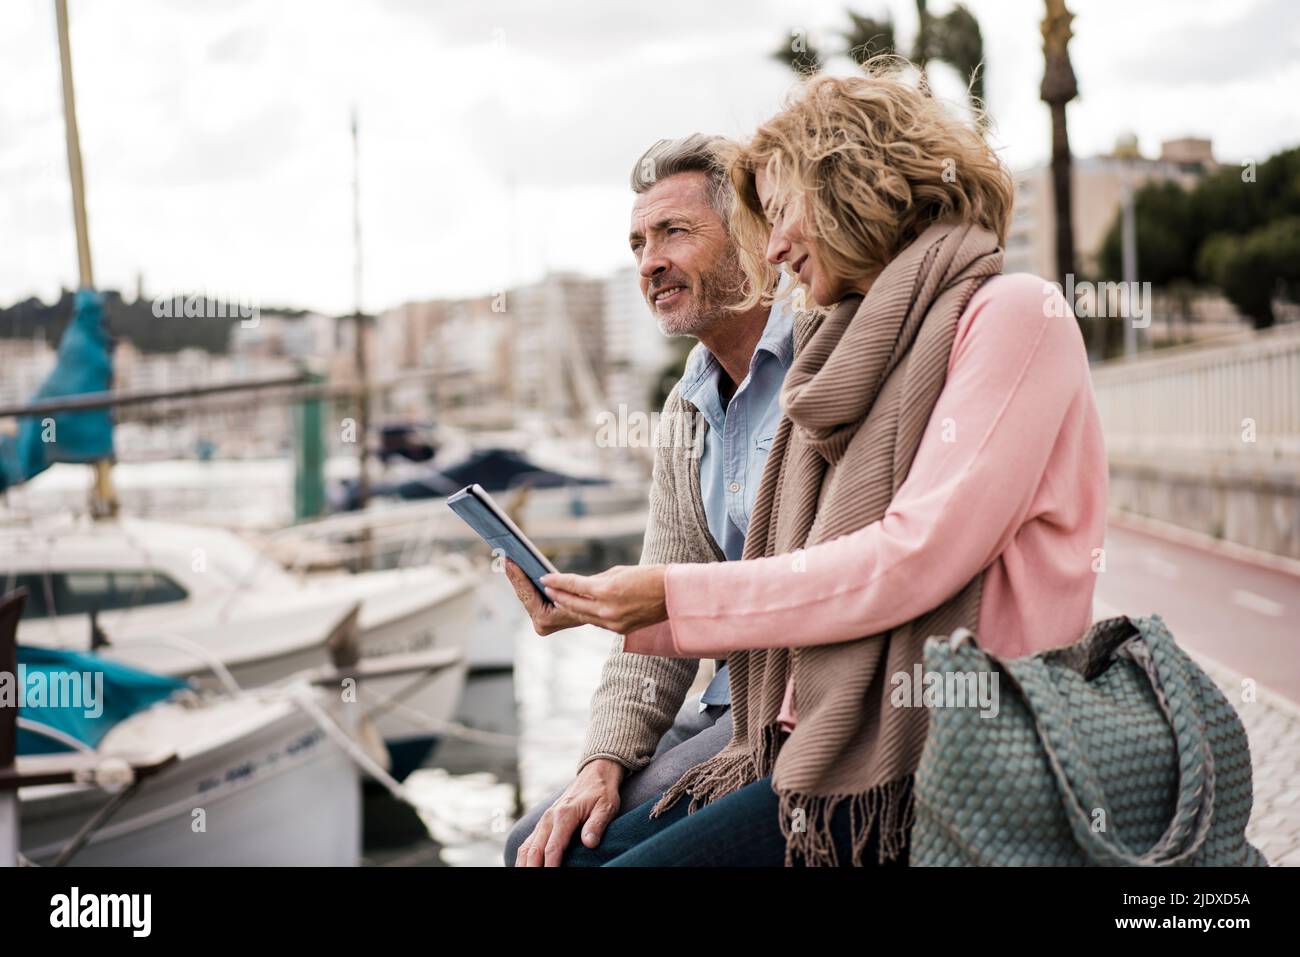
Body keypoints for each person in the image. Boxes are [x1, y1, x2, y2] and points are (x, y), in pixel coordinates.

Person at [541, 57, 1109, 866]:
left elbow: (906, 561)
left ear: (856, 185)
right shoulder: (853, 347)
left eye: (781, 214)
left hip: (955, 737)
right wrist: (597, 606)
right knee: (546, 849)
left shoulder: (1014, 314)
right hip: (819, 717)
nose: (772, 246)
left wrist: (662, 595)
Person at [504, 134, 797, 866]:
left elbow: (834, 577)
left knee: (574, 861)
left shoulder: (822, 363)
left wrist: (655, 595)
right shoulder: (685, 410)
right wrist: (601, 760)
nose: (649, 262)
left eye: (673, 232)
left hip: (798, 710)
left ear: (754, 238)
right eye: (637, 242)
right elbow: (658, 639)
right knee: (526, 843)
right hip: (723, 703)